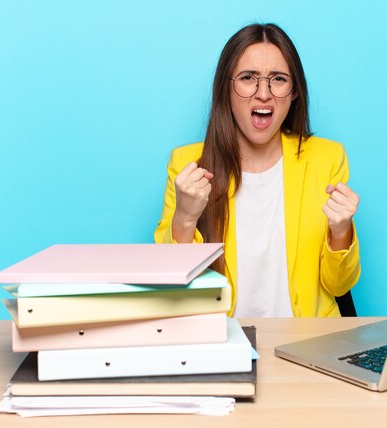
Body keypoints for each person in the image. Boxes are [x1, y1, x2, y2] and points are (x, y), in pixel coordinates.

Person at [154, 23, 360, 317]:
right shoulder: (187, 165)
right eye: (248, 78)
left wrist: (341, 231)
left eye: (278, 79)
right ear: (226, 88)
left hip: (306, 345)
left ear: (294, 93)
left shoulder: (327, 158)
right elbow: (173, 295)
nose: (263, 93)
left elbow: (339, 285)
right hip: (223, 345)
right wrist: (185, 218)